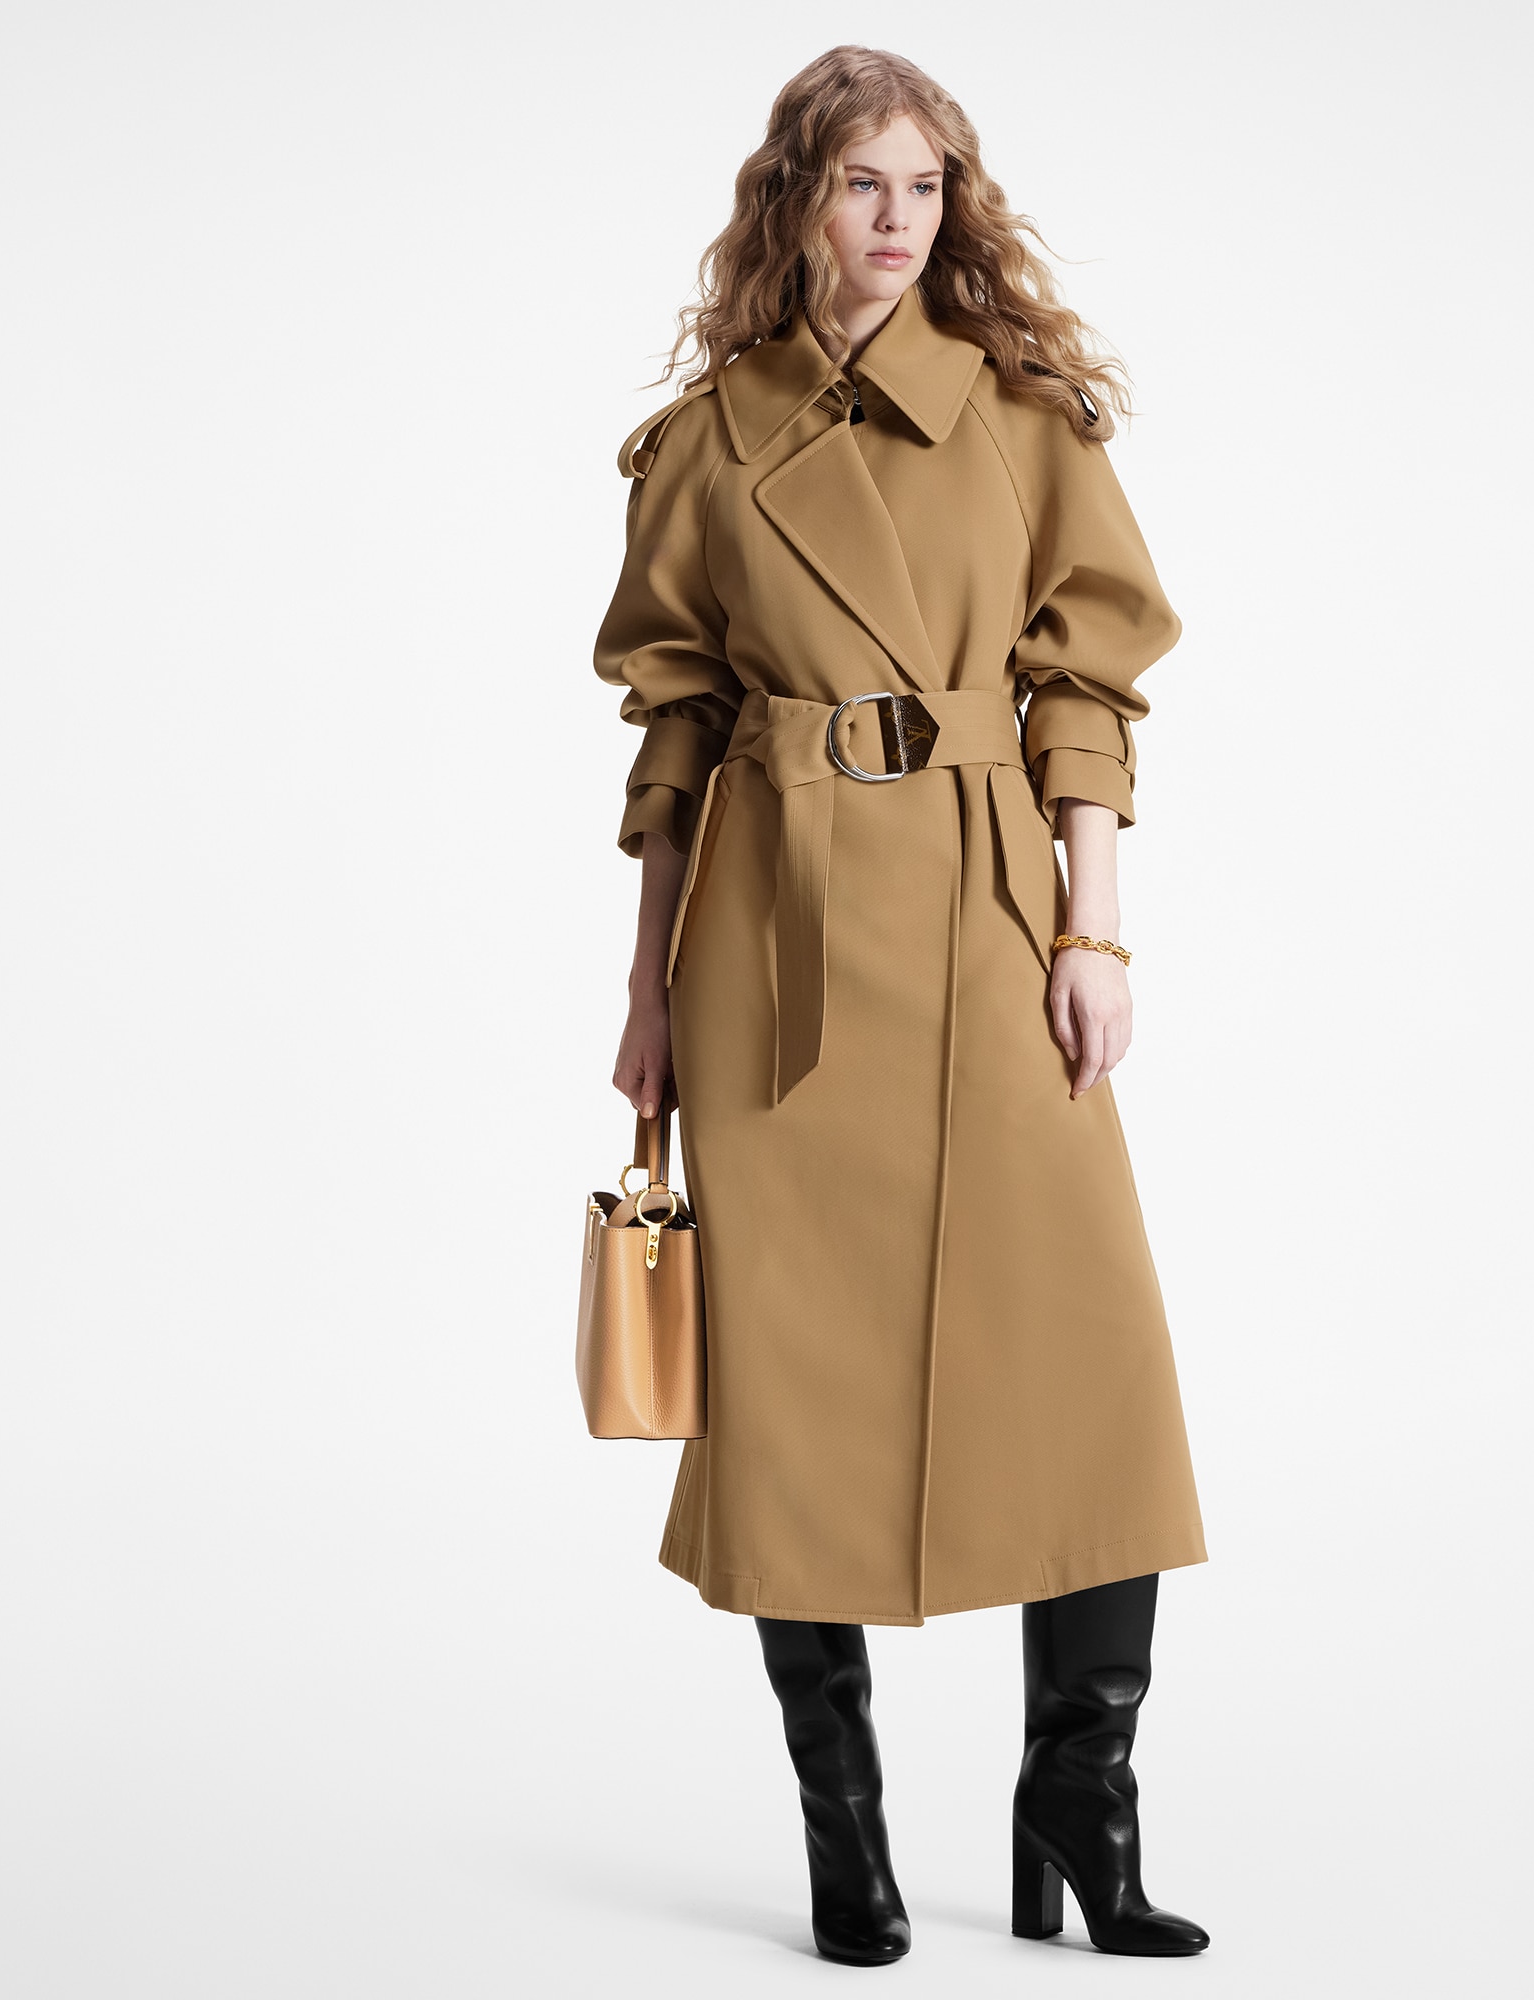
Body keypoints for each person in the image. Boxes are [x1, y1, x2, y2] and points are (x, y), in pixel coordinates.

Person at [594, 45, 1208, 1965]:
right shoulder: (710, 443)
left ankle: (1083, 1806)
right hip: (773, 949)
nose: (897, 219)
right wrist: (646, 989)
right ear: (796, 200)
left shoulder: (1025, 424)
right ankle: (843, 1838)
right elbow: (675, 726)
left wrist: (1094, 938)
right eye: (863, 182)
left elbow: (1084, 691)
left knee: (1092, 1368)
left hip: (986, 915)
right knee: (793, 1391)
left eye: (926, 186)